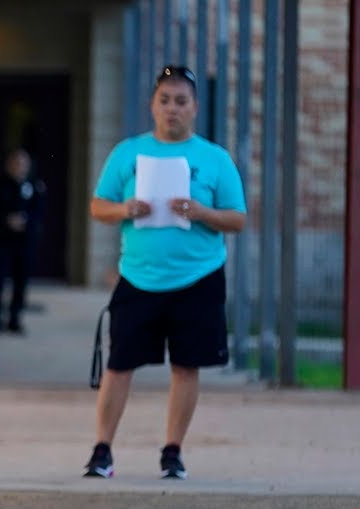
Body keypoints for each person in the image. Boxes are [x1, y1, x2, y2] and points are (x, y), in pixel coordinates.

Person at [83, 65, 246, 480]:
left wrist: (202, 212)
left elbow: (238, 218)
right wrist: (125, 209)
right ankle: (102, 450)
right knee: (119, 365)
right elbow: (98, 206)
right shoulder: (127, 153)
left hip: (199, 278)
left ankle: (172, 452)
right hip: (139, 277)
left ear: (194, 108)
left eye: (181, 101)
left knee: (186, 366)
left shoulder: (214, 158)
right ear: (152, 105)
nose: (172, 109)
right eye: (165, 100)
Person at [0, 148, 44, 334]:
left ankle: (15, 320)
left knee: (20, 282)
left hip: (24, 243)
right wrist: (7, 220)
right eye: (15, 163)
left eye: (22, 164)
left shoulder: (35, 186)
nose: (19, 167)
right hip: (2, 241)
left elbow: (39, 213)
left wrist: (25, 221)